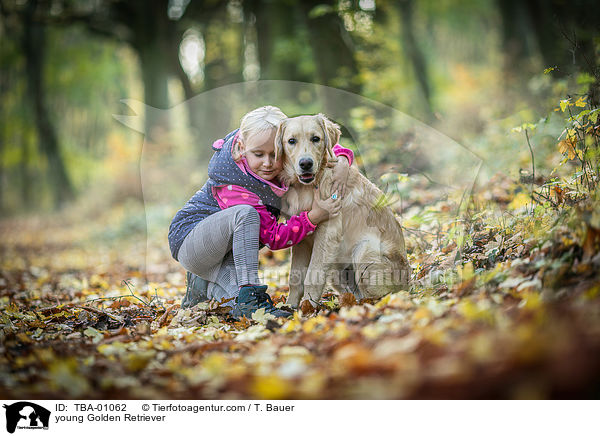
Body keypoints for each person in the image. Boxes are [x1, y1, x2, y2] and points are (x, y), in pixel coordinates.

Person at [168, 106, 354, 318]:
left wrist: (343, 160)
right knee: (247, 215)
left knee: (234, 302)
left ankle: (202, 287)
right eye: (258, 154)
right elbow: (274, 238)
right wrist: (314, 217)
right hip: (192, 241)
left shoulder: (269, 154)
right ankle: (250, 291)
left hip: (222, 254)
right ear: (241, 147)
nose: (267, 163)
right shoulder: (236, 184)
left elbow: (310, 146)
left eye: (275, 154)